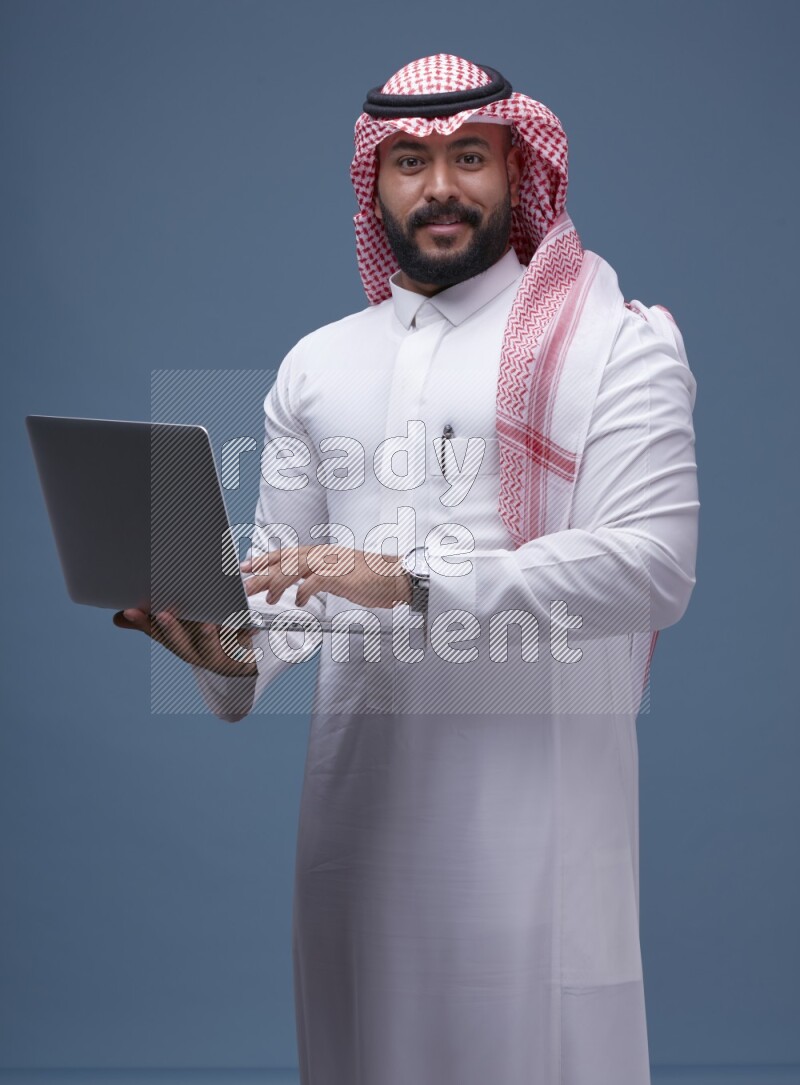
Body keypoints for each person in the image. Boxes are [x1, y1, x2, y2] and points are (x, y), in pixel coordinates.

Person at [115, 54, 699, 1085]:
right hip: (360, 822)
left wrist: (410, 577)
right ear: (370, 184)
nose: (439, 186)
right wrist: (220, 649)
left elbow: (651, 568)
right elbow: (284, 595)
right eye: (410, 162)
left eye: (468, 156)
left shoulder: (613, 341)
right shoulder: (319, 364)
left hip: (538, 821)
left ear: (516, 169)